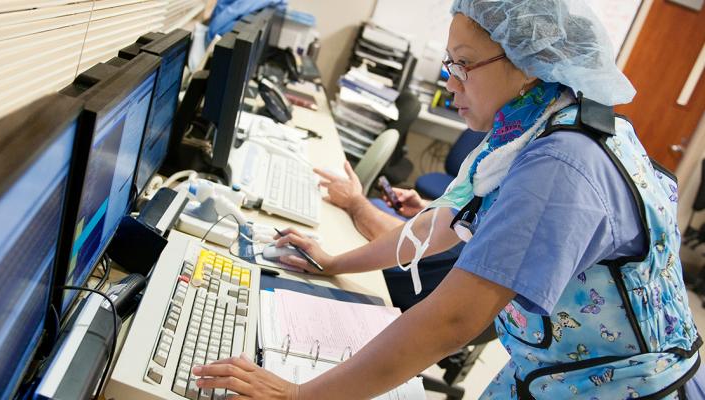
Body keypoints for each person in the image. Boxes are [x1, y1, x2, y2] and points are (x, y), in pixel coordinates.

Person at [192, 1, 705, 398]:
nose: (449, 81)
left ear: (527, 63)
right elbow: (440, 225)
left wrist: (298, 393)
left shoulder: (561, 163)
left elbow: (453, 321)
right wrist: (333, 262)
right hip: (561, 372)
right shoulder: (527, 125)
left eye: (463, 65)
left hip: (624, 386)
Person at [314, 162, 466, 311]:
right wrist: (426, 207)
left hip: (398, 288)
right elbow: (460, 211)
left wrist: (354, 200)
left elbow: (405, 241)